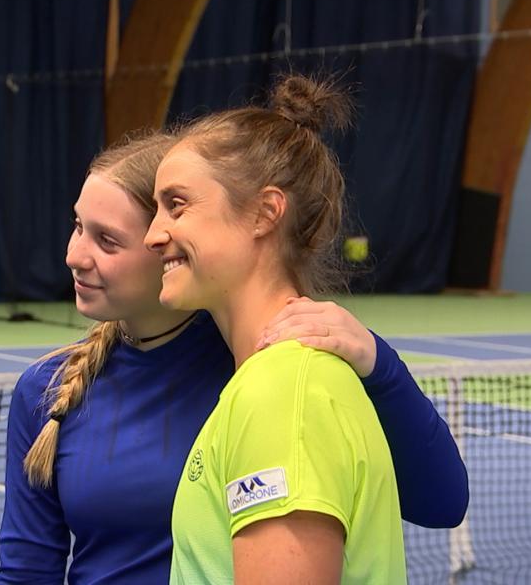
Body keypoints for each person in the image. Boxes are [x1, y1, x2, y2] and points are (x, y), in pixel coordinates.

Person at [0, 129, 465, 584]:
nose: (75, 256)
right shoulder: (48, 390)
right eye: (78, 226)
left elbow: (441, 501)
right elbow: (26, 572)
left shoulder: (266, 366)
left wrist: (378, 363)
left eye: (107, 240)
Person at [145, 74, 407, 583]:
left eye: (176, 205)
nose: (154, 235)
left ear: (265, 212)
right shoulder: (266, 382)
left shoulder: (284, 395)